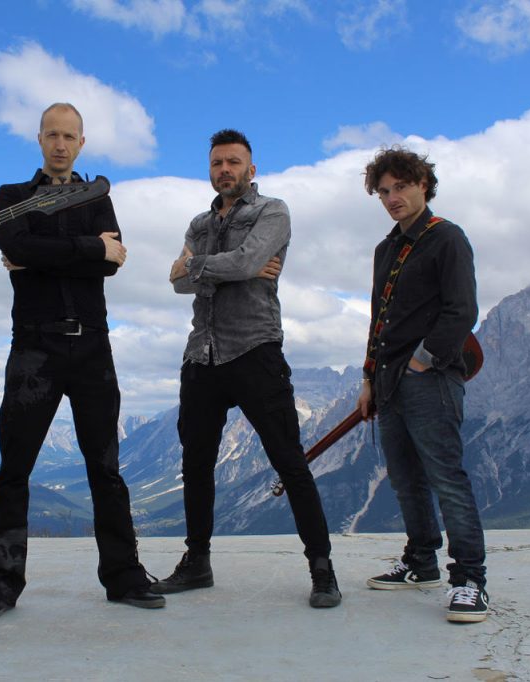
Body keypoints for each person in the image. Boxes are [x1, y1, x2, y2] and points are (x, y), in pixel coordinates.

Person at [0, 103, 163, 621]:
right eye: (52, 134)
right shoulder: (12, 197)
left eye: (70, 136)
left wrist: (45, 254)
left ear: (81, 142)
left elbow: (110, 264)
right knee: (15, 467)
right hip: (34, 347)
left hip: (92, 346)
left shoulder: (98, 196)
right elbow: (17, 244)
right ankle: (0, 584)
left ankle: (124, 577)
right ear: (39, 139)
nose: (61, 144)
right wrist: (89, 248)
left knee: (106, 468)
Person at [157, 129, 341, 608]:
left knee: (289, 461)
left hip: (256, 350)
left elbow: (239, 264)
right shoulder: (199, 222)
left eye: (233, 162)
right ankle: (197, 563)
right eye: (217, 163)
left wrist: (201, 266)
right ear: (210, 169)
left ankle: (322, 570)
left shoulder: (272, 212)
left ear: (251, 169)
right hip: (201, 356)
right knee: (196, 465)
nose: (225, 170)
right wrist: (232, 266)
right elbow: (177, 283)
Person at [357, 147, 488, 623]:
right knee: (405, 478)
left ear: (424, 185)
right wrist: (369, 377)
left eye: (401, 187)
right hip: (388, 381)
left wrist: (422, 360)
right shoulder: (385, 249)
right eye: (383, 191)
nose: (392, 198)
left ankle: (470, 580)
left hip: (430, 379)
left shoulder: (447, 238)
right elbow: (379, 319)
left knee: (446, 479)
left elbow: (462, 309)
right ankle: (421, 562)